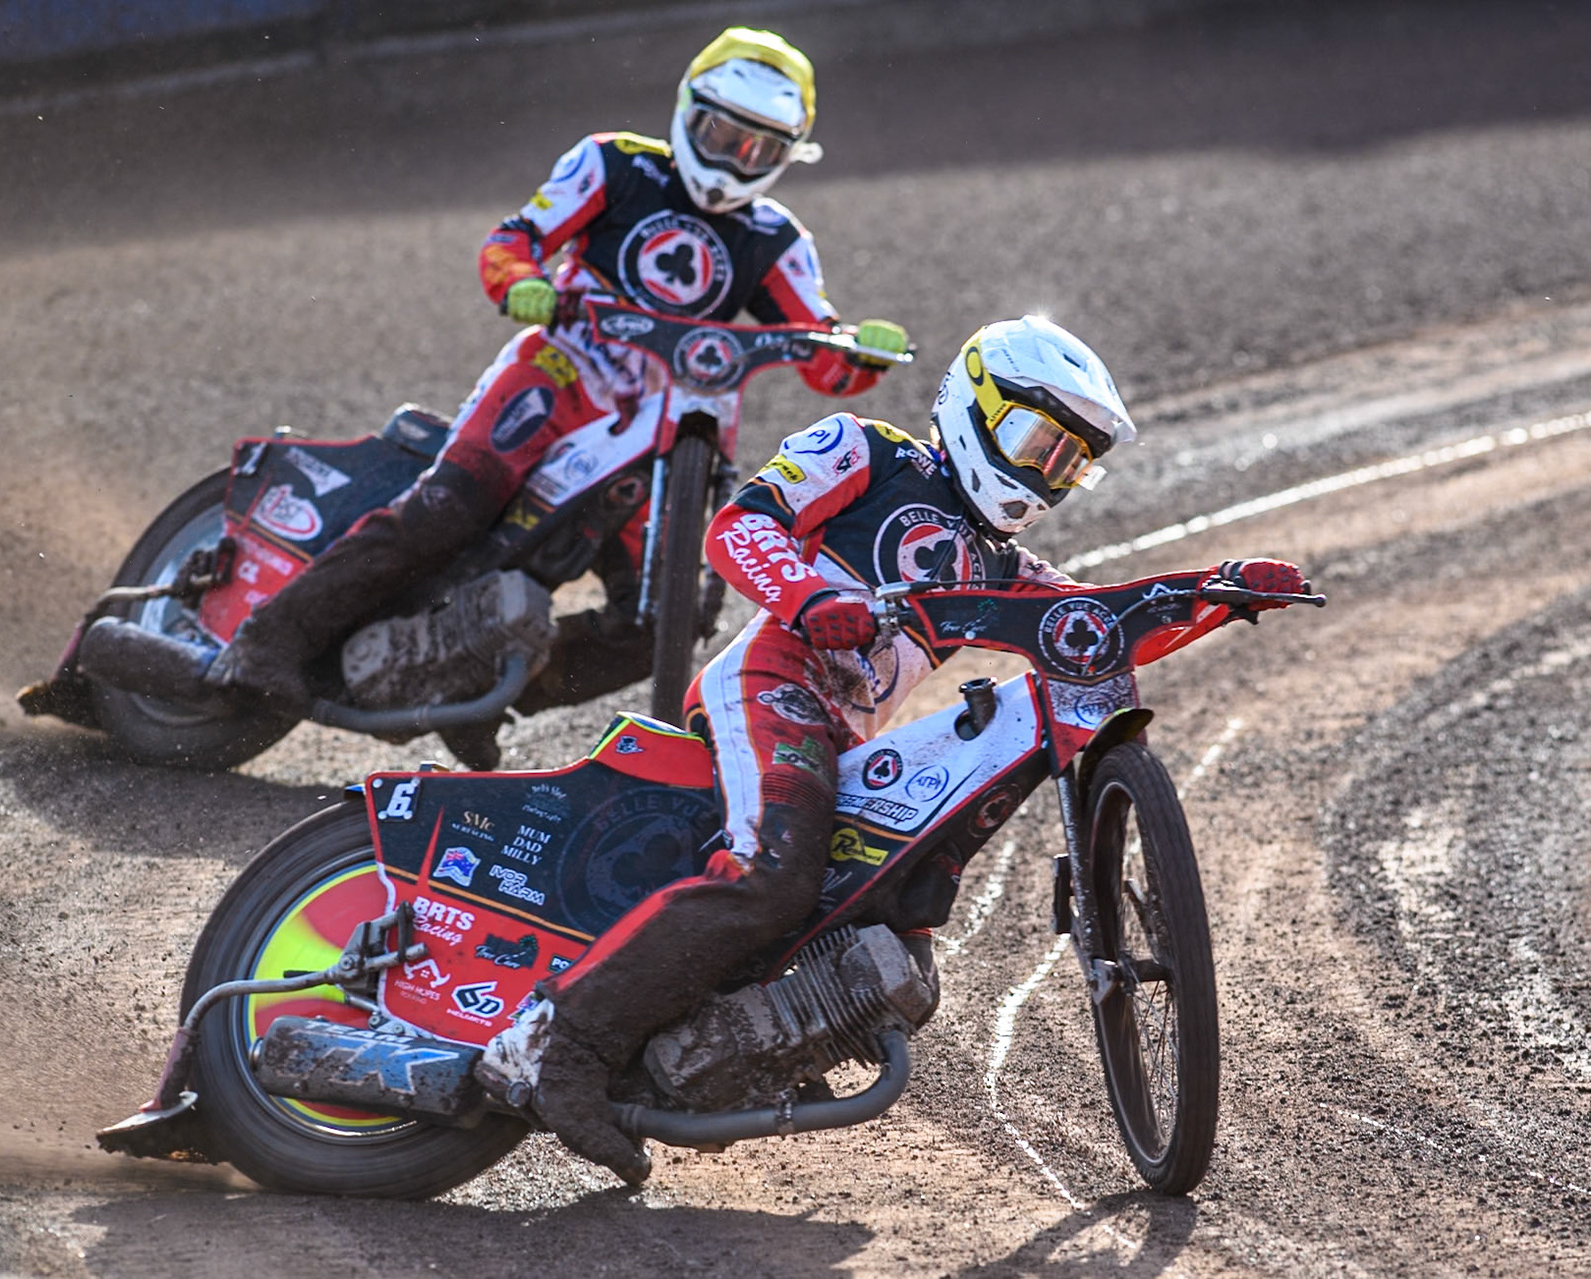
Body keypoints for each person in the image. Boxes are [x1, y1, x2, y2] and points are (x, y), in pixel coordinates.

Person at [477, 314, 1308, 1183]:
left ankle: (683, 1061)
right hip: (772, 677)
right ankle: (556, 1049)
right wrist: (807, 597)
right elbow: (739, 525)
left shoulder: (1003, 563)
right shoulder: (866, 451)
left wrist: (1212, 595)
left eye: (1068, 461)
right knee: (773, 874)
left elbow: (1088, 629)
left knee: (888, 929)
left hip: (838, 731)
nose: (1042, 472)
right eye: (1034, 439)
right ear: (972, 404)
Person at [202, 27, 910, 766]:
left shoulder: (779, 239)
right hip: (561, 371)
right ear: (686, 110)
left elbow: (823, 356)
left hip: (668, 426)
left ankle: (478, 689)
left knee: (667, 616)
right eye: (722, 134)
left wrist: (864, 353)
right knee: (450, 504)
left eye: (761, 149)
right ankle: (267, 639)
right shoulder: (612, 163)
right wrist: (524, 284)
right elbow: (512, 241)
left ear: (787, 157)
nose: (735, 160)